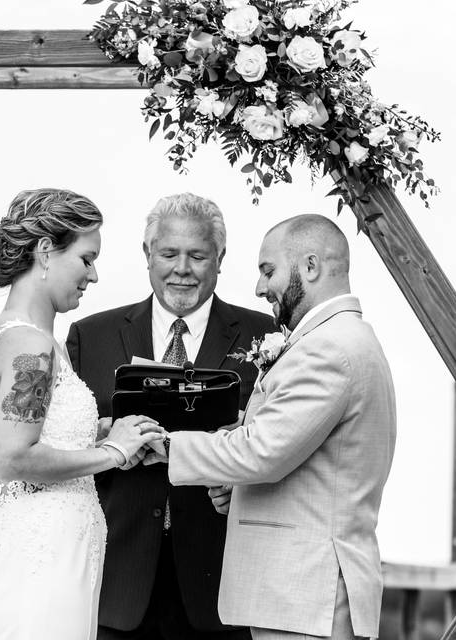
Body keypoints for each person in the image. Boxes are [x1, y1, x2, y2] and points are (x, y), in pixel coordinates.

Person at [166, 214, 397, 640]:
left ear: (310, 267)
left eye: (268, 270)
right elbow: (309, 461)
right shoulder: (342, 339)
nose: (259, 287)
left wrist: (163, 445)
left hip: (308, 594)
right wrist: (238, 489)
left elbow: (262, 453)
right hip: (302, 596)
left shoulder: (328, 349)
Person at [66, 193, 273, 640]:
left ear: (219, 258)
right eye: (169, 254)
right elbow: (63, 446)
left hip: (221, 586)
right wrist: (104, 440)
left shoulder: (268, 337)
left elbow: (281, 445)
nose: (182, 268)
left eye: (197, 255)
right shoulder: (91, 336)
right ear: (147, 255)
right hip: (118, 586)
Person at [0, 188, 164, 640]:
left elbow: (37, 435)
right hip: (42, 573)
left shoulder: (37, 341)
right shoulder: (29, 348)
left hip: (62, 562)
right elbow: (14, 458)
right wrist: (112, 452)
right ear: (45, 252)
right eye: (86, 258)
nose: (93, 275)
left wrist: (100, 434)